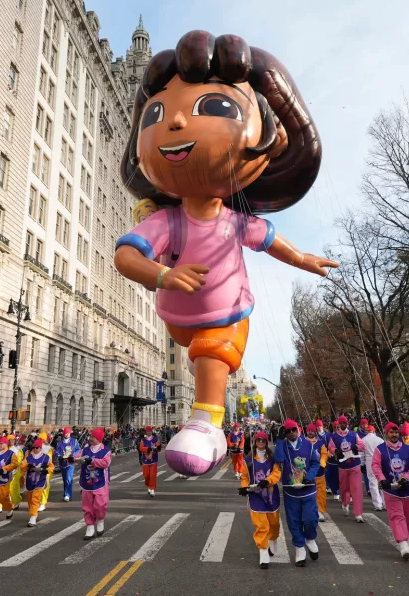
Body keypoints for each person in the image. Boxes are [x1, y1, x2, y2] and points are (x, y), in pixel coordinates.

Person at [113, 31, 336, 476]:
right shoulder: (167, 221)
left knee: (215, 345)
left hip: (224, 315)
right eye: (157, 114)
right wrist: (163, 275)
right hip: (177, 319)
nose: (175, 123)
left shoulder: (235, 221)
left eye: (215, 108)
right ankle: (205, 416)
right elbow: (124, 256)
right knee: (203, 345)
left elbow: (271, 242)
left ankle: (207, 421)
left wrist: (305, 259)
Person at [274, 419, 320, 567]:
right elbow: (279, 459)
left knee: (311, 518)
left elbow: (315, 463)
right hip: (291, 491)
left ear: (298, 430)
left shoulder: (308, 444)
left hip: (307, 490)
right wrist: (280, 440)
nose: (291, 433)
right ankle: (299, 548)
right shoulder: (283, 446)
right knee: (293, 521)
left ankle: (310, 538)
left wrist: (309, 477)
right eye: (287, 431)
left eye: (293, 430)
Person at [372, 422, 409, 560]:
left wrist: (407, 477)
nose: (394, 435)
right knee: (396, 516)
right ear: (387, 433)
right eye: (391, 432)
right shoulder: (380, 449)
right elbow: (375, 465)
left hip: (407, 489)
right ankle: (403, 543)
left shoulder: (408, 449)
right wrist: (382, 479)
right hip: (391, 489)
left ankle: (407, 537)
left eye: (396, 432)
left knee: (407, 516)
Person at [239, 431, 282, 569]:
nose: (261, 442)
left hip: (271, 496)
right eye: (258, 440)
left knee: (274, 523)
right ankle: (263, 552)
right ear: (255, 442)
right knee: (261, 525)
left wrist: (267, 481)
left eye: (263, 440)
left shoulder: (272, 459)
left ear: (266, 441)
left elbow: (277, 474)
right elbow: (244, 477)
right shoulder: (248, 460)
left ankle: (273, 539)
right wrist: (245, 487)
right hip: (256, 496)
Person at [326, 415, 365, 522]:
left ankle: (358, 514)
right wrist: (335, 451)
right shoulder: (334, 437)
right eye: (341, 423)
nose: (343, 425)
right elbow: (330, 447)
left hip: (354, 465)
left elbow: (362, 445)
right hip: (343, 466)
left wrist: (357, 447)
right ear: (339, 424)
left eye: (345, 423)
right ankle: (345, 503)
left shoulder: (353, 434)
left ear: (347, 423)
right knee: (344, 488)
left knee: (356, 489)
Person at [80, 427, 113, 539]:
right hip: (87, 482)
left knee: (100, 505)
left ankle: (100, 520)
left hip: (100, 482)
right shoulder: (85, 450)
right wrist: (69, 459)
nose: (90, 438)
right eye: (90, 436)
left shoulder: (106, 451)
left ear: (98, 438)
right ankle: (89, 526)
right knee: (87, 505)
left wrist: (92, 461)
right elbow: (78, 457)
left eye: (93, 437)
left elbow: (105, 463)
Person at [24, 439, 53, 528]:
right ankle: (34, 512)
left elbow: (51, 467)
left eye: (37, 447)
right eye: (34, 447)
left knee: (35, 498)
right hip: (30, 480)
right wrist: (27, 466)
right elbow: (22, 466)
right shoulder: (29, 457)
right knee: (29, 499)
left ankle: (33, 518)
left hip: (40, 480)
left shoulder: (46, 457)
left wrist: (45, 470)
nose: (35, 449)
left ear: (40, 448)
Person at [304, 424, 329, 522]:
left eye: (312, 431)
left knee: (321, 493)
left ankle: (320, 511)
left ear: (315, 432)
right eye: (308, 430)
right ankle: (309, 511)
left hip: (319, 473)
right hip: (307, 473)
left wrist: (322, 464)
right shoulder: (303, 442)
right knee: (308, 493)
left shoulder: (320, 443)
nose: (310, 432)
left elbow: (324, 454)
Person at [362, 424, 386, 511]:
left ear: (366, 431)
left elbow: (361, 453)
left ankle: (377, 504)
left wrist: (362, 463)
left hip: (369, 460)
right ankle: (385, 503)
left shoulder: (364, 440)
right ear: (374, 431)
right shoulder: (380, 440)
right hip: (380, 460)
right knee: (382, 481)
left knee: (373, 482)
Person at [55, 427, 82, 502]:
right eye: (66, 433)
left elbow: (78, 449)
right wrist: (59, 456)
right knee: (65, 479)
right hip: (62, 462)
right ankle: (66, 493)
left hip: (70, 462)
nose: (67, 434)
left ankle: (67, 494)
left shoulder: (74, 441)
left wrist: (73, 455)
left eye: (68, 433)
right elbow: (57, 451)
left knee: (68, 478)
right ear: (63, 434)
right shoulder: (59, 443)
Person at [138, 426, 161, 497]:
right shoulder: (143, 440)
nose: (149, 432)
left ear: (151, 431)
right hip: (145, 460)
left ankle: (152, 489)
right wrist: (148, 449)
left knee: (152, 475)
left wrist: (158, 447)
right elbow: (141, 448)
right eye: (147, 431)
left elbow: (159, 448)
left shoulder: (155, 439)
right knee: (146, 475)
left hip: (153, 460)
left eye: (150, 431)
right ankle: (148, 485)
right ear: (146, 432)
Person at [37, 432, 54, 511]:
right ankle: (39, 501)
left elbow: (49, 459)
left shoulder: (48, 449)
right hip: (37, 469)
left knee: (45, 485)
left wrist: (45, 466)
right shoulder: (37, 447)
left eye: (41, 439)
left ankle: (43, 503)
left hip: (45, 469)